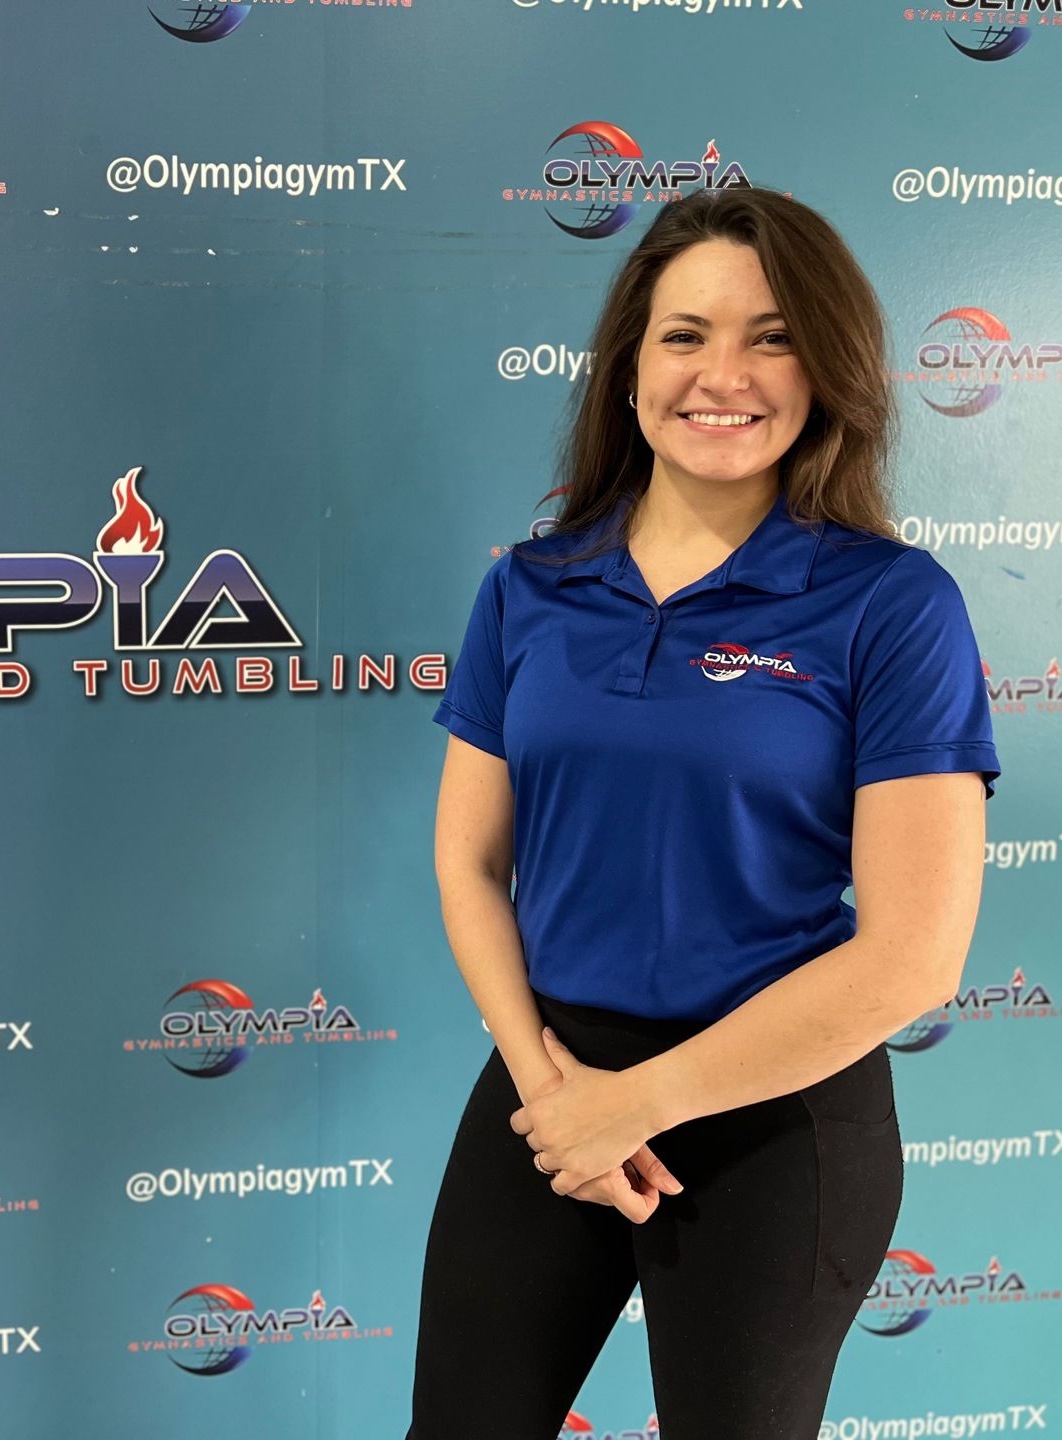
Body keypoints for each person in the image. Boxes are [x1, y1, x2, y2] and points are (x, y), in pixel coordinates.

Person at [408, 188, 999, 1438]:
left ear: (824, 371)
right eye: (685, 335)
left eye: (772, 338)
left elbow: (913, 956)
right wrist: (556, 1093)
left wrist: (642, 1103)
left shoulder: (892, 605)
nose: (722, 375)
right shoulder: (532, 587)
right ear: (630, 368)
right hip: (552, 1081)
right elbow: (467, 862)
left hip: (775, 1116)